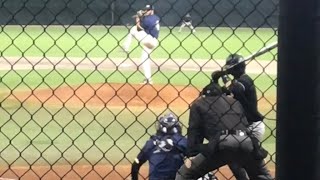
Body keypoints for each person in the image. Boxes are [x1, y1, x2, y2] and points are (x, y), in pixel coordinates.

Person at [175, 82, 273, 180]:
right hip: (246, 141)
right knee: (263, 176)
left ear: (204, 95)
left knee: (184, 173)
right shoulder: (234, 102)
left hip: (222, 143)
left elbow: (194, 131)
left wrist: (192, 154)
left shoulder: (199, 103)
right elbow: (245, 125)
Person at [215, 54, 270, 180]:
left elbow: (237, 90)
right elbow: (228, 93)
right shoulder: (237, 81)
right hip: (242, 128)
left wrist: (225, 77)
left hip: (252, 127)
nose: (228, 70)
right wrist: (222, 80)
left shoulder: (245, 81)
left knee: (247, 162)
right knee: (235, 160)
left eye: (230, 68)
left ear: (236, 68)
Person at [131, 112, 217, 180]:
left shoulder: (152, 143)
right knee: (207, 175)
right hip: (177, 178)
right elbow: (196, 158)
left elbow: (136, 164)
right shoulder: (183, 141)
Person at [122, 4, 160, 84]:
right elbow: (143, 27)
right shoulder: (156, 17)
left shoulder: (149, 19)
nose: (146, 11)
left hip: (149, 40)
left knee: (133, 29)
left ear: (152, 11)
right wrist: (140, 17)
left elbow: (139, 27)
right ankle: (148, 79)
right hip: (152, 42)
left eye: (147, 10)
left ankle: (126, 47)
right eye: (145, 10)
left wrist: (139, 18)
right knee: (144, 58)